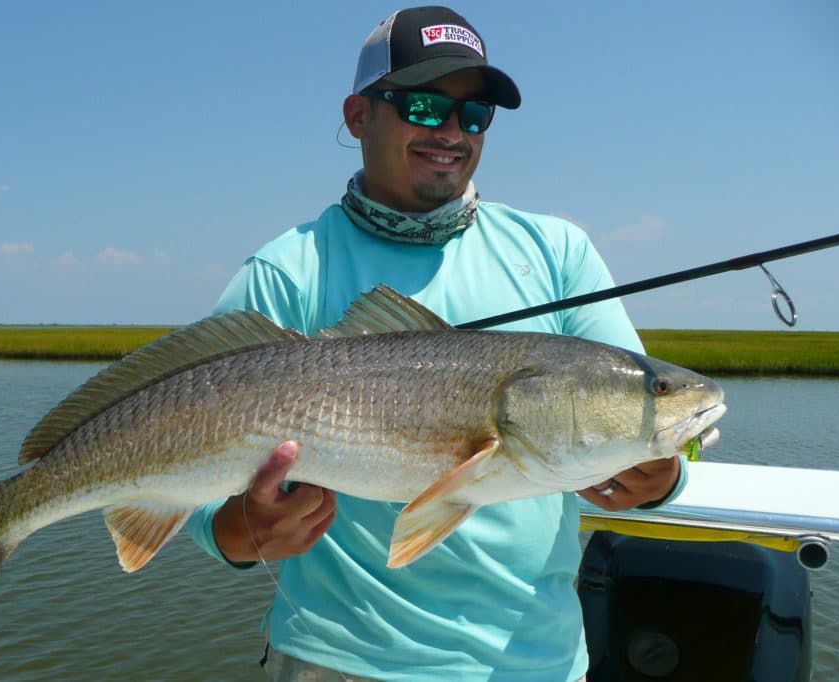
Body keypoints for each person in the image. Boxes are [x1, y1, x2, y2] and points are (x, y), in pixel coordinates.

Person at [185, 7, 685, 681]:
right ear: (359, 115)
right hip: (337, 661)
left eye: (474, 114)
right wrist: (237, 533)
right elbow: (176, 452)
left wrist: (661, 476)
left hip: (536, 663)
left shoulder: (558, 251)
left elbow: (642, 413)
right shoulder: (289, 269)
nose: (452, 132)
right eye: (423, 105)